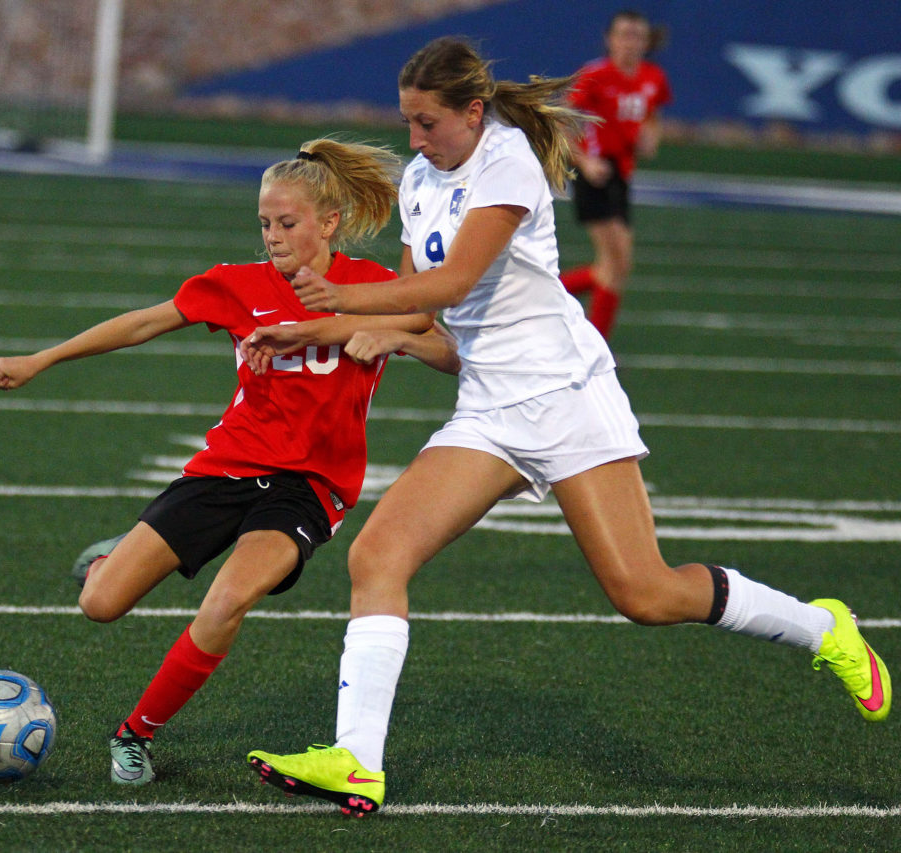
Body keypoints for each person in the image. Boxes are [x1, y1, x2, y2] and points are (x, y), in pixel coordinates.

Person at [242, 36, 891, 817]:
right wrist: (329, 331)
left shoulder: (507, 159)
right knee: (379, 554)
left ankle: (822, 628)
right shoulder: (420, 179)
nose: (414, 141)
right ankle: (356, 760)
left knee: (645, 594)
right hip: (488, 406)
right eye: (408, 123)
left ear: (472, 113)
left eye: (426, 123)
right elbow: (424, 311)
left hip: (564, 395)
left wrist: (338, 302)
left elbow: (451, 281)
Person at [0, 137, 460, 785]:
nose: (272, 235)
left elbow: (447, 349)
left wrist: (392, 333)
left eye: (287, 222)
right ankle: (110, 559)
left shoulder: (374, 288)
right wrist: (40, 359)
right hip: (226, 468)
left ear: (329, 223)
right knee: (100, 603)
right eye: (264, 222)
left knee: (226, 601)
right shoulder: (238, 286)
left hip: (308, 488)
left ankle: (134, 734)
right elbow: (141, 324)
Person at [561, 9, 672, 339]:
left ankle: (544, 298)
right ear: (609, 39)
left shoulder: (652, 77)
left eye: (637, 35)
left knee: (615, 267)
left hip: (622, 174)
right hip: (595, 173)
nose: (630, 42)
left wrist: (651, 136)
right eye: (624, 34)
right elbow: (560, 122)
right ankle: (596, 345)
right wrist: (583, 162)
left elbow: (652, 115)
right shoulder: (595, 74)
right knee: (615, 264)